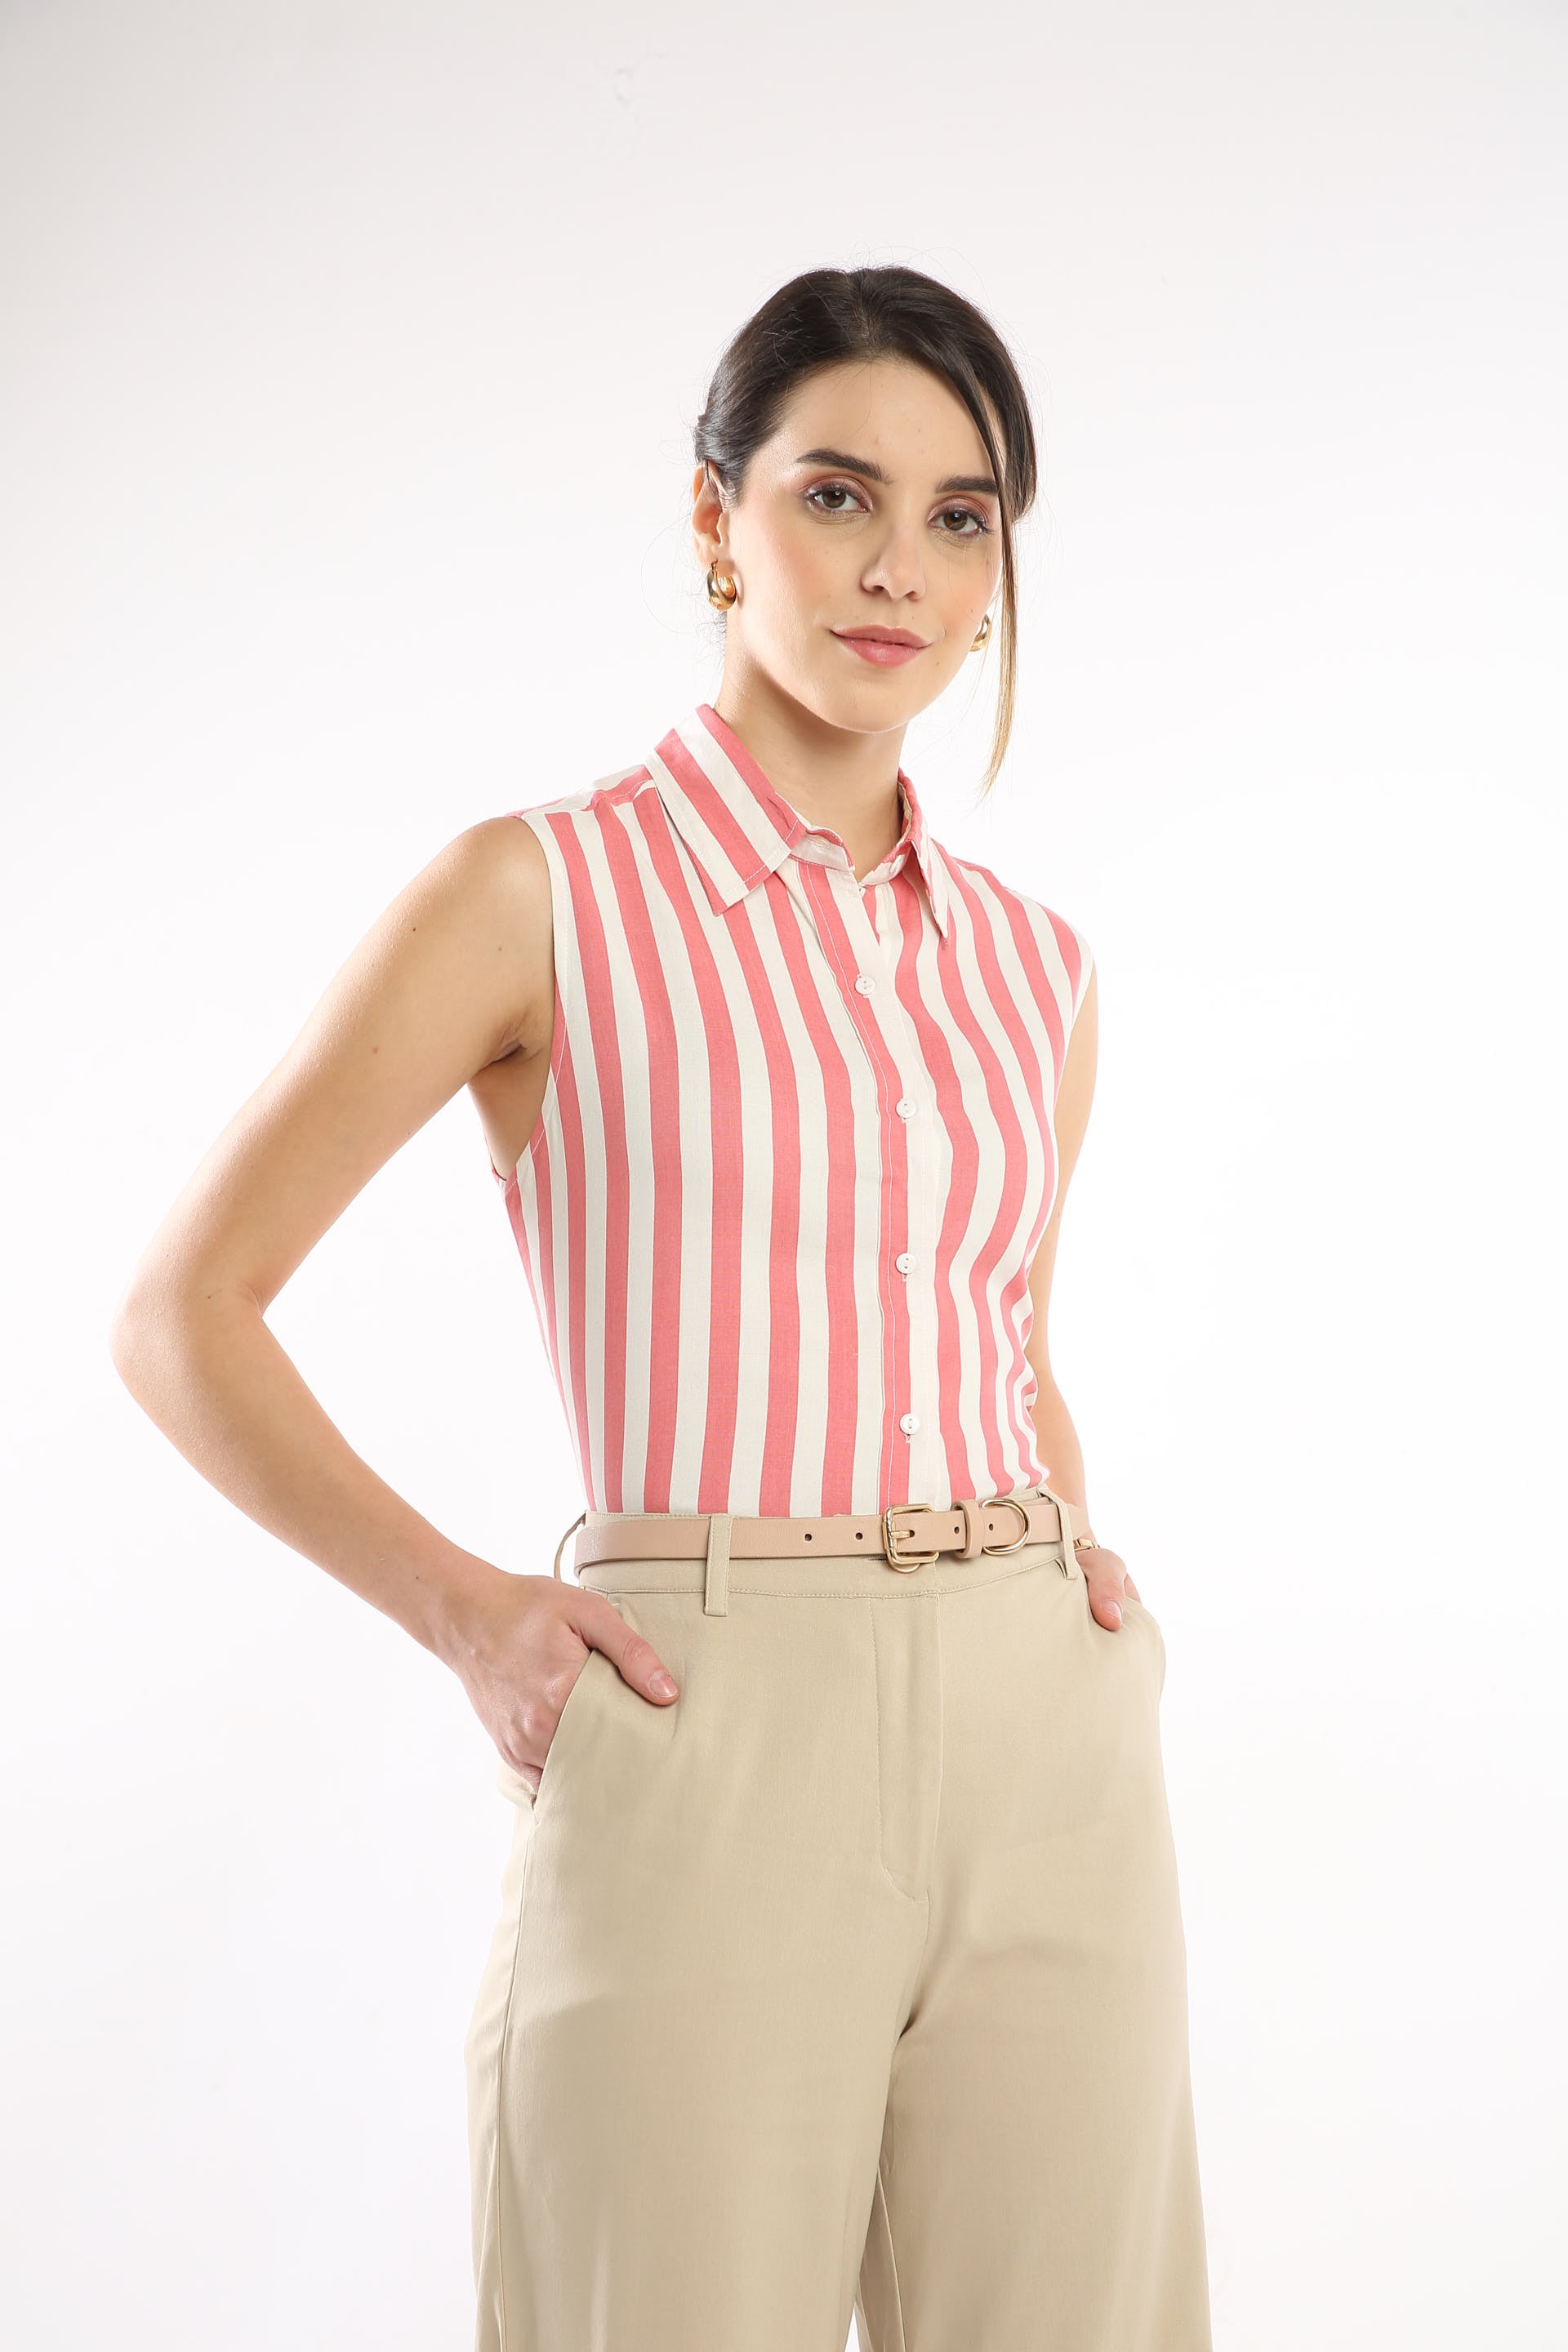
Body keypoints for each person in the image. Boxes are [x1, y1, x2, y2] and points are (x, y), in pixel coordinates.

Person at [109, 263, 1212, 2351]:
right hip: (711, 1722)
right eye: (836, 495)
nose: (898, 568)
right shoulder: (535, 894)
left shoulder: (1035, 967)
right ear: (717, 518)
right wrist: (469, 1615)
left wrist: (1080, 1589)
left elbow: (1006, 1337)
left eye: (961, 517)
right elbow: (186, 1312)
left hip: (1044, 1730)